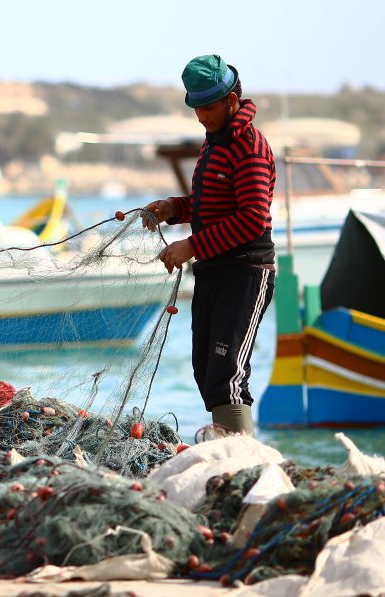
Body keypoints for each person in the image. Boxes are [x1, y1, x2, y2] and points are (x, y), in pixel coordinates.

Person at [141, 55, 276, 435]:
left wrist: (192, 245)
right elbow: (208, 206)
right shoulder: (213, 144)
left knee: (226, 374)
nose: (201, 116)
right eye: (197, 109)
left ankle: (242, 462)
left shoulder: (248, 147)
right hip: (215, 271)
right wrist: (173, 208)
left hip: (246, 272)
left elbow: (253, 218)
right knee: (205, 370)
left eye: (209, 107)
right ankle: (231, 452)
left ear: (232, 100)